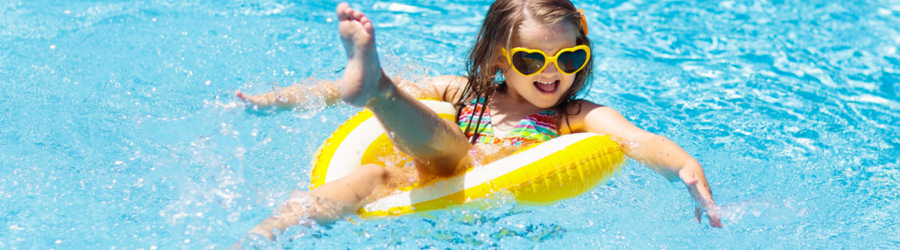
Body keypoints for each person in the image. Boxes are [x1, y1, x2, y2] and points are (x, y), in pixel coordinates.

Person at [238, 0, 722, 240]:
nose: (552, 73)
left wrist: (682, 166)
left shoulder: (575, 115)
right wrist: (273, 100)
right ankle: (265, 235)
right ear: (498, 59)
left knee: (450, 151)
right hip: (428, 175)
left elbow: (640, 140)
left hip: (481, 189)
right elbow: (323, 94)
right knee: (372, 175)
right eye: (533, 61)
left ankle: (380, 91)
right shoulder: (462, 90)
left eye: (569, 58)